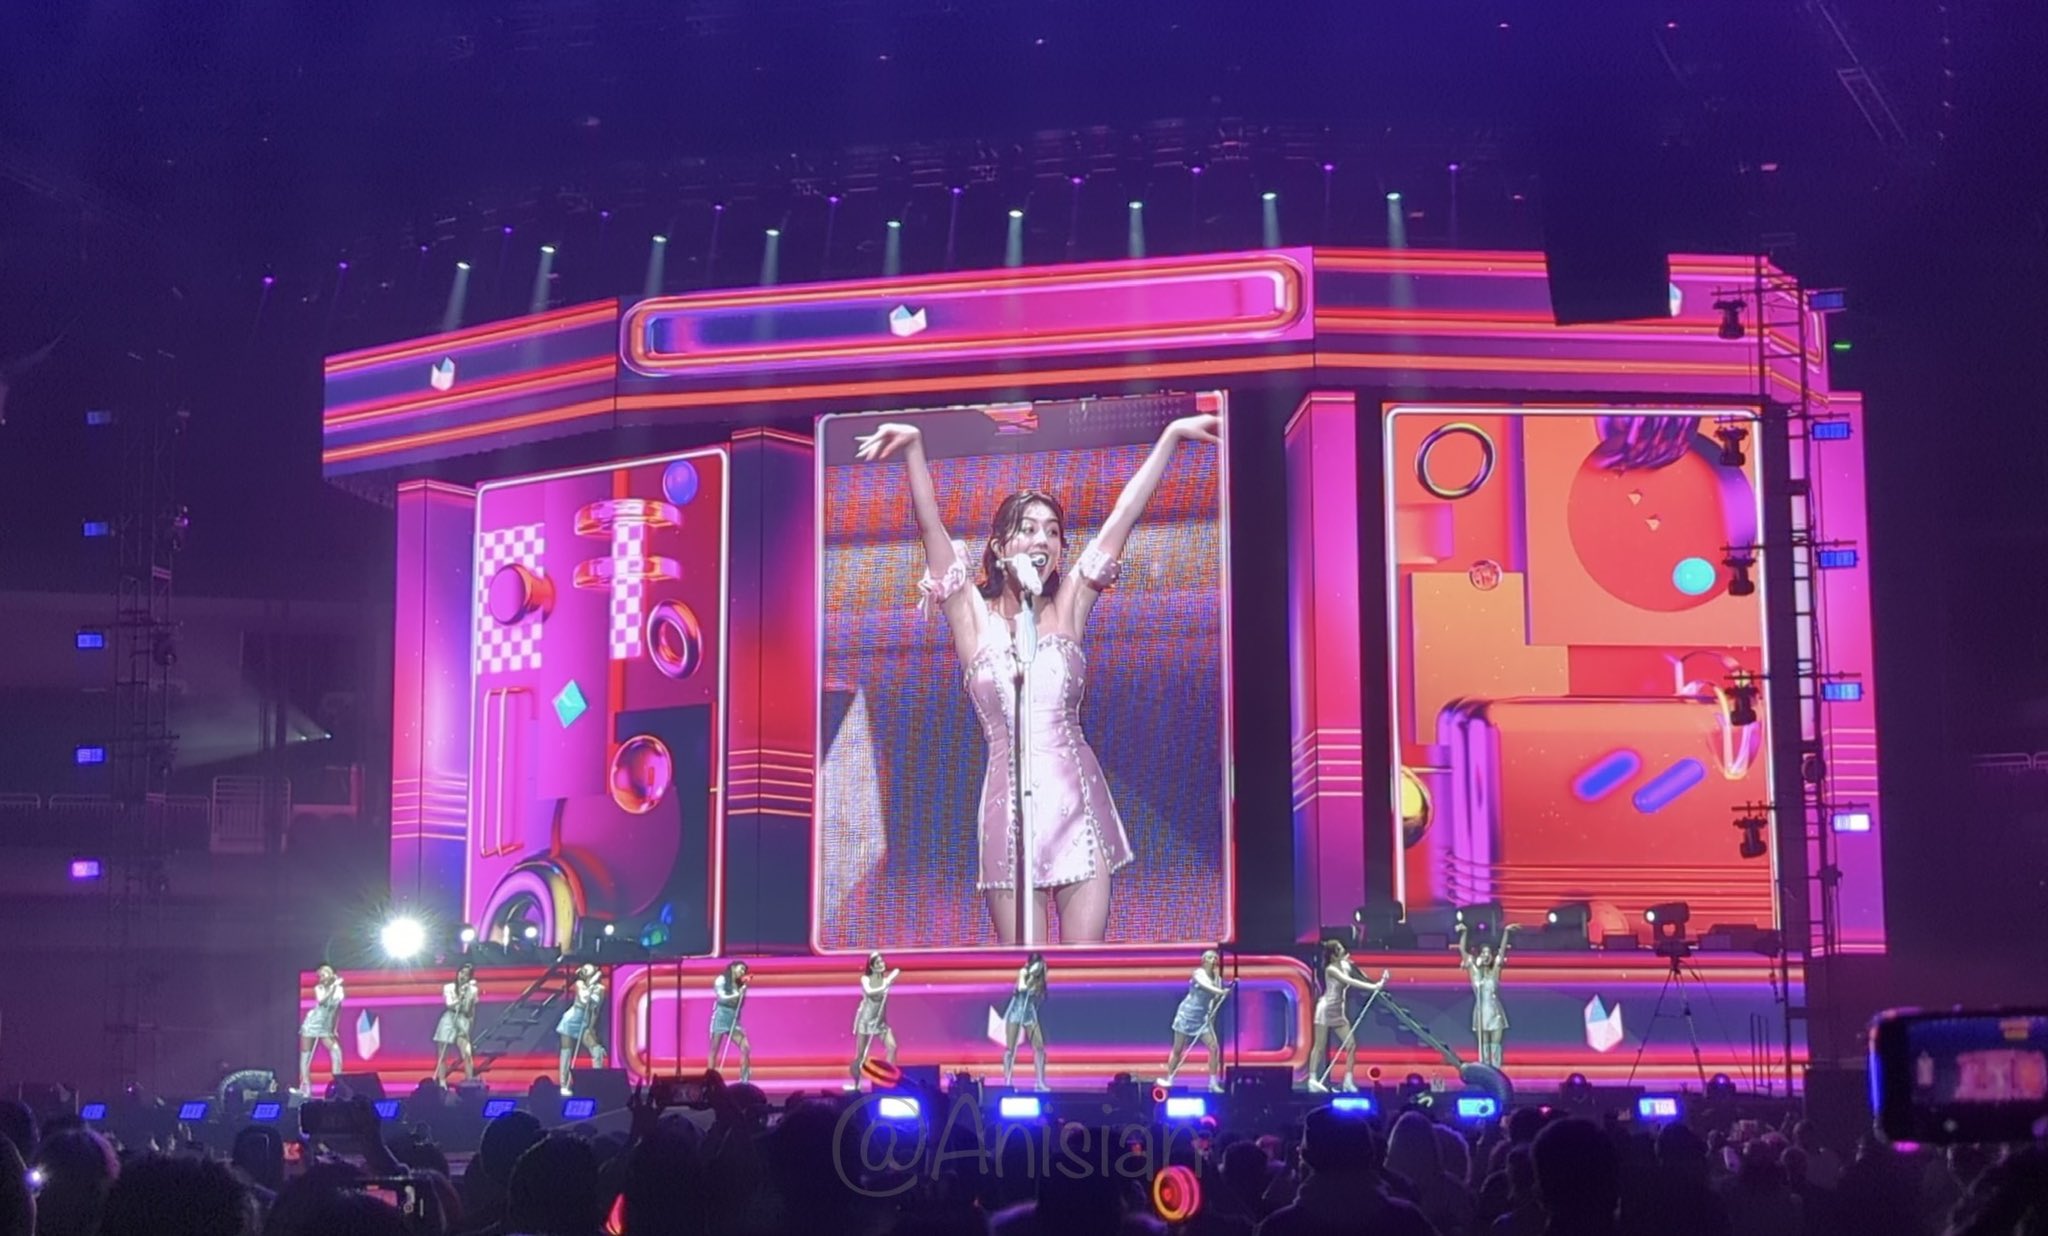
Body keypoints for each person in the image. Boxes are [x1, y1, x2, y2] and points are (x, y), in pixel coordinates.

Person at [856, 412, 1223, 944]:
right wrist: (914, 448)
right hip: (1008, 813)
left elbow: (1123, 516)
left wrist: (1171, 437)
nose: (1043, 539)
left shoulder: (1069, 605)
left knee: (1084, 974)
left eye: (1052, 531)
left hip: (1078, 804)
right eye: (1028, 528)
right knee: (1023, 974)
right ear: (999, 546)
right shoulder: (970, 615)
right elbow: (931, 527)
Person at [1305, 939, 1387, 1093]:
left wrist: (1376, 982)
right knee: (1319, 1046)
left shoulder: (1344, 965)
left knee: (1351, 1045)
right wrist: (1373, 987)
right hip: (1326, 1009)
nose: (1343, 950)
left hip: (1338, 1011)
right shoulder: (1331, 969)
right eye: (1340, 949)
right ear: (1333, 955)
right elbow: (1349, 981)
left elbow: (1357, 975)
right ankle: (1312, 1079)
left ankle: (1348, 1081)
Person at [1159, 948, 1233, 1093]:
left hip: (1202, 1018)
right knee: (1178, 1050)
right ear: (1204, 961)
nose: (1214, 960)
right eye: (1210, 957)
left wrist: (1211, 1011)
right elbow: (1207, 987)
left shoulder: (1217, 979)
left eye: (1215, 958)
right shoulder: (1198, 973)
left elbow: (1213, 999)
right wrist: (1221, 991)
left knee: (1214, 1048)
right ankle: (1169, 1079)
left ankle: (1213, 1083)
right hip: (1187, 1015)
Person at [1458, 921, 1520, 1068]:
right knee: (1484, 1047)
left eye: (1488, 953)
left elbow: (1502, 951)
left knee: (1495, 1046)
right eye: (1483, 953)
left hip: (1495, 1012)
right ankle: (1485, 1072)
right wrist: (1464, 932)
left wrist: (1506, 933)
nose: (1486, 955)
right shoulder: (1474, 971)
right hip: (1480, 1013)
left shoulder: (1495, 971)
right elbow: (1462, 950)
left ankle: (1497, 1072)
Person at [849, 952, 901, 1089]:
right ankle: (856, 1085)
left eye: (882, 961)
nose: (881, 964)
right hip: (866, 1021)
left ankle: (887, 1080)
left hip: (880, 1022)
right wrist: (888, 982)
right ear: (871, 967)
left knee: (892, 1047)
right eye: (878, 963)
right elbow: (870, 992)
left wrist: (888, 981)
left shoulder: (885, 980)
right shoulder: (865, 979)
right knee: (861, 1055)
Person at [555, 963, 607, 1095]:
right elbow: (584, 1000)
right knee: (566, 1052)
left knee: (596, 1049)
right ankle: (564, 1085)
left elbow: (596, 1010)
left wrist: (591, 1027)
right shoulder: (579, 984)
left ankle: (598, 1082)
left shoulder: (600, 989)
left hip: (585, 1022)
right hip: (572, 1020)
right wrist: (590, 986)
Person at [296, 964, 345, 1097]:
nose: (322, 978)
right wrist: (332, 988)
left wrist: (334, 1028)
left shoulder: (339, 990)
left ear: (331, 975)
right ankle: (305, 1089)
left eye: (324, 975)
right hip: (312, 1023)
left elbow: (338, 1009)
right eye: (320, 976)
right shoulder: (319, 988)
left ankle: (338, 1085)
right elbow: (322, 1001)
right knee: (306, 1057)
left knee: (336, 1051)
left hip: (325, 1027)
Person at [1002, 953, 1050, 1090]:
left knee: (1039, 1047)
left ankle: (1040, 1082)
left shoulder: (1040, 977)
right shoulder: (1023, 972)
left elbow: (1041, 995)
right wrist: (1030, 976)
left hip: (1029, 1013)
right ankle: (1007, 1082)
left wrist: (1038, 978)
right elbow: (1021, 988)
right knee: (1010, 1049)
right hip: (1016, 1011)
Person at [432, 962, 480, 1086]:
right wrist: (460, 997)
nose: (463, 976)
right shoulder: (448, 987)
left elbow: (471, 1010)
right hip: (449, 1019)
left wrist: (469, 1026)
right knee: (443, 1055)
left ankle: (469, 1082)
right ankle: (442, 1083)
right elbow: (449, 1004)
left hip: (463, 1021)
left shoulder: (473, 990)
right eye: (461, 972)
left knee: (467, 1054)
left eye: (466, 974)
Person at [710, 960, 753, 1083]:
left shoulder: (740, 984)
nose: (743, 972)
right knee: (714, 1049)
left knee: (745, 1047)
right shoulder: (721, 979)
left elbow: (740, 1004)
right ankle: (710, 1080)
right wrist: (738, 995)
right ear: (733, 968)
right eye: (741, 968)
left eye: (744, 970)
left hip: (733, 1018)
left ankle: (744, 1080)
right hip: (721, 1016)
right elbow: (722, 998)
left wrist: (743, 993)